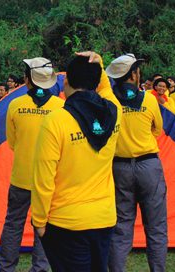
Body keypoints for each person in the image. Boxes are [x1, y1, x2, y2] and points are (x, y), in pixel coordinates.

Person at [32, 51, 122, 271]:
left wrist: (39, 221)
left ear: (66, 81)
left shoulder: (56, 120)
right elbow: (106, 90)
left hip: (66, 222)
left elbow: (44, 177)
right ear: (96, 81)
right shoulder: (114, 112)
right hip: (104, 218)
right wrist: (97, 63)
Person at [0, 57, 63, 272]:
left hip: (21, 177)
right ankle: (41, 268)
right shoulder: (61, 107)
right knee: (44, 225)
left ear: (27, 79)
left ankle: (6, 267)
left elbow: (12, 142)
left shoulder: (15, 104)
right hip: (49, 179)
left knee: (13, 223)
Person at [105, 54, 167, 272]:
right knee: (156, 227)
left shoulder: (109, 102)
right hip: (148, 165)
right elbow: (157, 129)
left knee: (121, 227)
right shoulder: (149, 99)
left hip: (119, 167)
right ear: (133, 74)